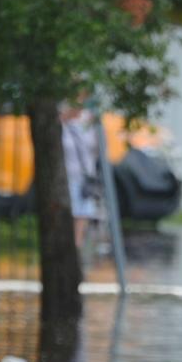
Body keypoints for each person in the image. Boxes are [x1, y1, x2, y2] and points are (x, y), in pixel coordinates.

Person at [60, 101, 100, 250]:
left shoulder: (90, 122)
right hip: (65, 176)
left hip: (83, 178)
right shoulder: (60, 120)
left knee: (80, 216)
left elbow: (98, 149)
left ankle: (75, 250)